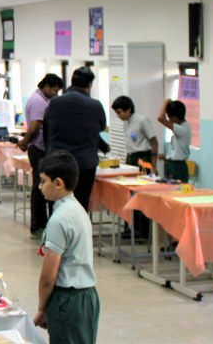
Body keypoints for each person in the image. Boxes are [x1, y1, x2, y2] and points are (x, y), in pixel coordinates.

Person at [33, 150, 100, 344]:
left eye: (43, 181)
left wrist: (41, 308)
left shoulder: (60, 219)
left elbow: (49, 274)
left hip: (70, 299)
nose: (39, 187)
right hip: (83, 298)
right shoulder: (74, 208)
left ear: (58, 183)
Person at [43, 67, 108, 212]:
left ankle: (57, 226)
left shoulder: (54, 102)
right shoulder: (95, 105)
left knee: (57, 203)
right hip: (85, 164)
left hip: (58, 162)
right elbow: (101, 127)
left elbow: (46, 131)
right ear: (89, 85)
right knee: (80, 205)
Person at [18, 74, 64, 239]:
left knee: (44, 186)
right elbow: (35, 127)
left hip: (42, 148)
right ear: (46, 87)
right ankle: (37, 226)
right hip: (39, 149)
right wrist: (25, 142)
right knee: (40, 187)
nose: (55, 93)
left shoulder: (43, 100)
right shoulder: (39, 102)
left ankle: (44, 224)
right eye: (54, 90)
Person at [111, 96, 158, 169]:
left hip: (143, 157)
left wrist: (154, 165)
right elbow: (130, 144)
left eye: (119, 112)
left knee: (143, 176)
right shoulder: (125, 122)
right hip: (130, 157)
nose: (118, 116)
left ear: (128, 110)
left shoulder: (142, 120)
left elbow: (154, 142)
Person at [156, 99, 191, 183]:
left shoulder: (182, 129)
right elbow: (177, 150)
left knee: (175, 189)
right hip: (172, 164)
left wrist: (167, 101)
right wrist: (167, 156)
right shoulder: (180, 126)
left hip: (177, 167)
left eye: (169, 117)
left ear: (175, 117)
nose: (168, 120)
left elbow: (160, 118)